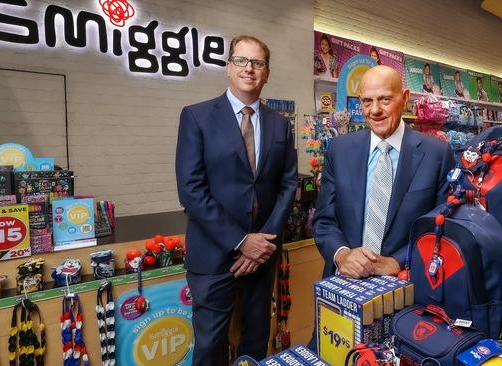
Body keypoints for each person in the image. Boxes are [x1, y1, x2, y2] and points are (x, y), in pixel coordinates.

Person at [175, 35, 297, 365]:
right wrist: (242, 241)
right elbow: (191, 190)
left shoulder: (280, 126)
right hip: (214, 257)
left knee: (255, 339)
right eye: (241, 61)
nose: (249, 69)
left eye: (257, 63)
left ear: (267, 73)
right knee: (210, 345)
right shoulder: (197, 117)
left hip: (264, 256)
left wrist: (264, 244)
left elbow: (288, 185)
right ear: (228, 67)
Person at [313, 65, 453, 279]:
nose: (375, 110)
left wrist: (398, 262)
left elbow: (440, 227)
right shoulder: (339, 150)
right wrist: (342, 255)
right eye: (367, 101)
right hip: (345, 283)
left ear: (405, 98)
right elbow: (324, 220)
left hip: (406, 285)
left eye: (385, 99)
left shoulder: (437, 154)